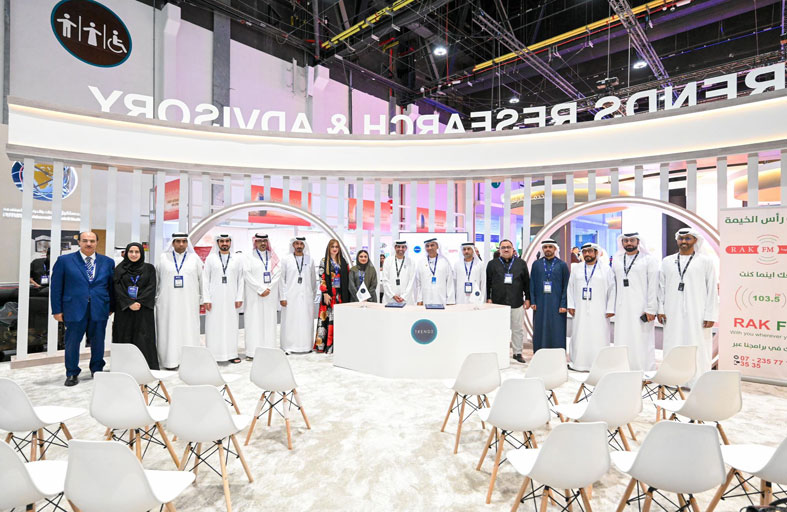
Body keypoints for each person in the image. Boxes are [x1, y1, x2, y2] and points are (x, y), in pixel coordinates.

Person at [50, 231, 115, 386]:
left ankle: (97, 369)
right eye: (85, 240)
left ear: (97, 242)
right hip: (74, 308)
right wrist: (56, 310)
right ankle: (72, 373)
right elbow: (56, 287)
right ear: (78, 242)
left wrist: (111, 306)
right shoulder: (64, 261)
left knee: (98, 342)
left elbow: (111, 287)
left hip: (99, 307)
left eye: (92, 241)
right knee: (72, 343)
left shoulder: (108, 262)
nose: (88, 244)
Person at [658, 228, 719, 383]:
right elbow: (661, 288)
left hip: (698, 313)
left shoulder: (705, 261)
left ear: (695, 240)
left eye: (688, 238)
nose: (684, 241)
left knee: (697, 345)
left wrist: (710, 315)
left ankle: (698, 380)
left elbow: (712, 289)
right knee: (673, 344)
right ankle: (672, 379)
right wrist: (660, 310)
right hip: (672, 312)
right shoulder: (667, 261)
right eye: (681, 238)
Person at [612, 232, 659, 371]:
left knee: (641, 340)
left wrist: (651, 309)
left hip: (641, 308)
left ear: (638, 242)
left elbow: (653, 285)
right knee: (622, 339)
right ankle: (622, 368)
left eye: (632, 240)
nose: (628, 243)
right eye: (625, 240)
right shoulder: (617, 260)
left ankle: (644, 370)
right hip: (622, 308)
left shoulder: (649, 260)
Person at [156, 233, 203, 370]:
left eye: (184, 241)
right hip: (167, 304)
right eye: (178, 241)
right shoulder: (163, 258)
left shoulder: (194, 259)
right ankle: (169, 360)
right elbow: (157, 280)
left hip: (189, 303)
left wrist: (203, 299)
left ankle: (189, 360)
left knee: (188, 330)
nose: (181, 244)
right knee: (169, 330)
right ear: (172, 243)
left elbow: (202, 280)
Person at [567, 243, 615, 371]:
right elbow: (570, 287)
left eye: (590, 251)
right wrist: (571, 305)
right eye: (585, 252)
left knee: (599, 336)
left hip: (600, 310)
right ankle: (578, 363)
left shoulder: (606, 269)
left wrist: (610, 308)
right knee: (579, 335)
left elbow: (612, 290)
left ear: (596, 252)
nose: (587, 254)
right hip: (580, 309)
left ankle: (599, 364)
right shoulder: (577, 268)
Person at [112, 243, 158, 369]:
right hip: (124, 310)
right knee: (124, 337)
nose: (133, 254)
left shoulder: (149, 268)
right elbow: (117, 289)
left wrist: (139, 302)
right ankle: (123, 367)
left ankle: (146, 368)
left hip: (143, 310)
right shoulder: (119, 269)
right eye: (131, 252)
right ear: (126, 253)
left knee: (143, 339)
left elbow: (151, 287)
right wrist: (129, 303)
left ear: (141, 253)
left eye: (137, 252)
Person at [486, 239, 530, 363]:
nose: (506, 249)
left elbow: (527, 282)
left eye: (508, 247)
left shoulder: (521, 263)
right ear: (499, 250)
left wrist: (528, 298)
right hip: (497, 303)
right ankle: (499, 352)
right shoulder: (492, 264)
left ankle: (517, 353)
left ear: (513, 249)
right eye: (503, 247)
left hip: (516, 302)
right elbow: (488, 282)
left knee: (517, 329)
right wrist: (488, 298)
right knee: (498, 329)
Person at [202, 234, 244, 363]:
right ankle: (213, 355)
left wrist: (239, 297)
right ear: (218, 243)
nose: (224, 243)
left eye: (227, 241)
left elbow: (241, 279)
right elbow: (205, 279)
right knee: (214, 326)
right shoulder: (211, 259)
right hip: (214, 299)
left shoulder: (237, 259)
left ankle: (232, 354)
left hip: (232, 299)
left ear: (230, 242)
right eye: (222, 241)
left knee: (231, 326)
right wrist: (206, 299)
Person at [243, 233, 281, 359]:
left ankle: (269, 351)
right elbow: (247, 274)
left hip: (269, 295)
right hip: (254, 296)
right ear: (255, 242)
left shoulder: (272, 256)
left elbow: (277, 273)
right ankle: (252, 352)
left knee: (269, 324)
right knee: (254, 323)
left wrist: (268, 288)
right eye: (260, 241)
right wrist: (260, 289)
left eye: (265, 241)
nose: (263, 243)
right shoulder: (248, 256)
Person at [529, 239, 570, 353]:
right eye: (545, 247)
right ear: (542, 249)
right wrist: (533, 301)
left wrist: (563, 304)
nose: (547, 249)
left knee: (557, 329)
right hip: (540, 303)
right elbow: (532, 283)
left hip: (557, 304)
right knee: (540, 328)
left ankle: (557, 354)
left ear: (555, 248)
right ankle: (539, 354)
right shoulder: (536, 264)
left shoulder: (562, 265)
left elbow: (566, 286)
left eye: (550, 247)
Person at [280, 237, 317, 354]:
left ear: (304, 246)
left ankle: (306, 346)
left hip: (306, 297)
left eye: (301, 244)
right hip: (290, 297)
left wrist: (311, 295)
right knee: (290, 321)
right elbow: (282, 279)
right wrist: (283, 296)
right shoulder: (286, 260)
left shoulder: (310, 260)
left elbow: (313, 280)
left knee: (306, 321)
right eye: (297, 244)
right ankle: (289, 346)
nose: (299, 246)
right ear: (293, 245)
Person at [314, 239, 351, 353]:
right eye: (332, 247)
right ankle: (326, 346)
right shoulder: (324, 261)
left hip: (340, 296)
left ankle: (338, 345)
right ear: (328, 248)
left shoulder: (343, 261)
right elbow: (322, 278)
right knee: (327, 320)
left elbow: (348, 277)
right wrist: (325, 293)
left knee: (339, 321)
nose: (335, 249)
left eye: (336, 247)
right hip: (329, 295)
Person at [415, 238, 455, 305]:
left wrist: (450, 301)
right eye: (427, 246)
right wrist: (419, 299)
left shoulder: (444, 262)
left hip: (441, 300)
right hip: (425, 300)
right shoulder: (421, 262)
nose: (430, 248)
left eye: (432, 245)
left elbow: (450, 283)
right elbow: (418, 283)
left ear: (437, 246)